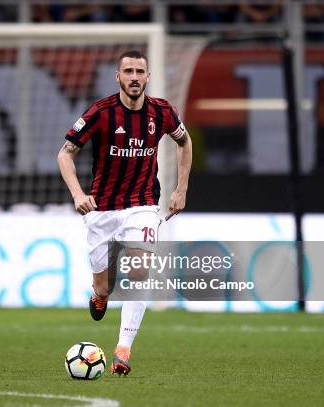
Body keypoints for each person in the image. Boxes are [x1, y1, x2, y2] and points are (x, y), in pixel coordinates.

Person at [57, 50, 192, 376]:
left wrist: (181, 188)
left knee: (140, 270)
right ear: (118, 76)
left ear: (148, 77)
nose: (134, 77)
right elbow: (65, 154)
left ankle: (123, 348)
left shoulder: (162, 111)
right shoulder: (100, 113)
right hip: (101, 209)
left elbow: (184, 143)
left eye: (140, 71)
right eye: (128, 71)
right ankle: (99, 295)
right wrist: (77, 194)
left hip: (143, 205)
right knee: (104, 286)